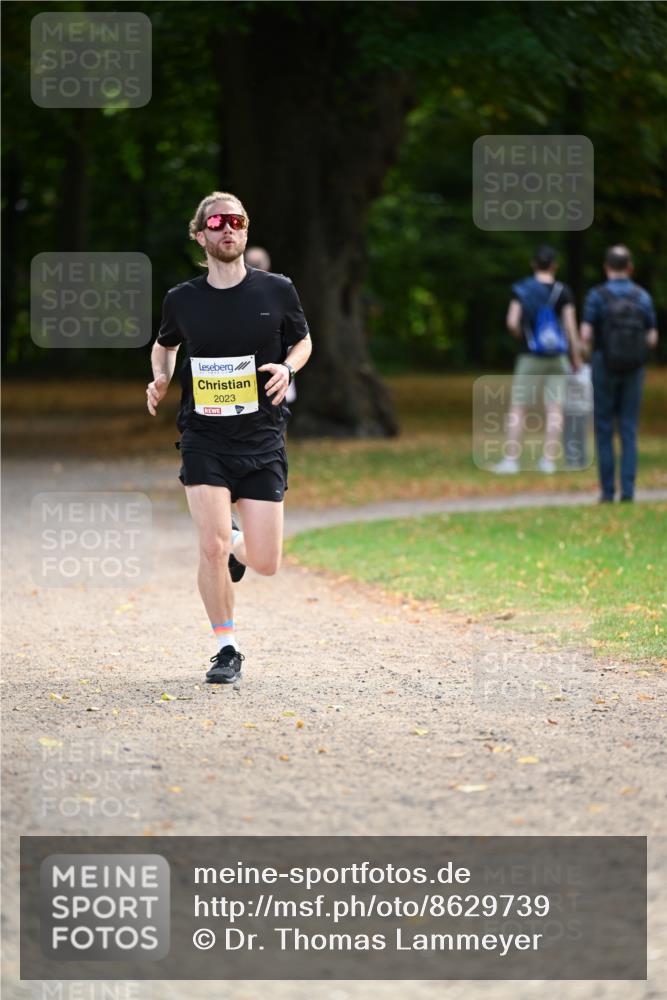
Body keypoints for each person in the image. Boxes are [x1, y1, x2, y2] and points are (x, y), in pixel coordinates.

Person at [146, 192, 312, 682]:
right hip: (204, 437)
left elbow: (303, 340)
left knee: (265, 562)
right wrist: (161, 376)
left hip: (262, 439)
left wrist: (287, 366)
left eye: (236, 221)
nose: (227, 229)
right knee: (212, 547)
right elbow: (164, 345)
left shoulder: (277, 291)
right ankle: (226, 648)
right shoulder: (182, 299)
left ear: (246, 229)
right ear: (201, 235)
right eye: (217, 222)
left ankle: (239, 540)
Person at [492, 245, 582, 475]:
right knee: (555, 408)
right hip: (558, 357)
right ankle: (548, 461)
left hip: (530, 355)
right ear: (554, 266)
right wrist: (576, 356)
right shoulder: (563, 291)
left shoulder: (522, 289)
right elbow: (570, 327)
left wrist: (521, 336)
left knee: (519, 407)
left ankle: (511, 460)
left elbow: (512, 322)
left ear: (533, 264)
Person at [580, 245, 658, 502]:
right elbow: (652, 337)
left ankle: (607, 491)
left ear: (606, 267)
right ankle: (628, 490)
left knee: (604, 428)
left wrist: (587, 355)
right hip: (634, 369)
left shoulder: (597, 296)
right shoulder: (642, 296)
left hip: (604, 365)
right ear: (630, 268)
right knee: (628, 429)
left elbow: (586, 334)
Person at [245, 245, 297, 405]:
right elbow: (297, 336)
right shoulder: (281, 291)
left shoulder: (230, 293)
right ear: (267, 266)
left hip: (240, 375)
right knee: (280, 408)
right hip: (277, 370)